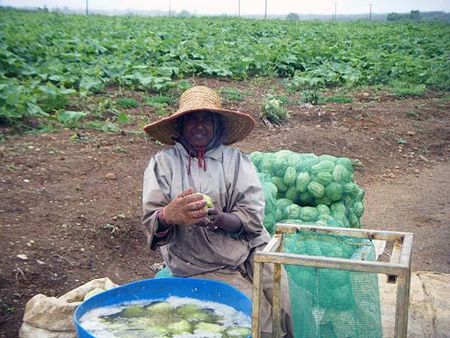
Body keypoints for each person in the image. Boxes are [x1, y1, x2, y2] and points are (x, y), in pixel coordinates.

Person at [142, 86, 293, 337]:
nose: (199, 126)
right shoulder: (163, 164)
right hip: (200, 261)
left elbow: (253, 216)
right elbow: (152, 219)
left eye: (206, 119)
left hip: (251, 248)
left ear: (217, 126)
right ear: (180, 125)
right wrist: (170, 214)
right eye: (192, 119)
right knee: (261, 322)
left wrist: (220, 219)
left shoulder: (236, 160)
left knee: (284, 303)